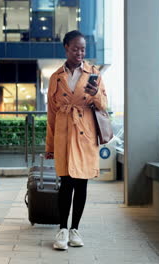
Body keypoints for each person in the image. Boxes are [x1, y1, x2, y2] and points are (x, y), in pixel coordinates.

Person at [45, 30, 108, 250]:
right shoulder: (56, 77)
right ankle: (62, 230)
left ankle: (75, 230)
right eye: (75, 48)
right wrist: (50, 145)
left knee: (81, 182)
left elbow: (103, 106)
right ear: (66, 48)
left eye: (83, 48)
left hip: (85, 133)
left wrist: (95, 94)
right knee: (65, 183)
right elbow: (51, 114)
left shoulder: (94, 73)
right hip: (63, 132)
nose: (80, 52)